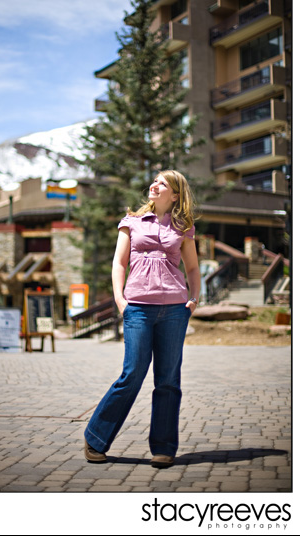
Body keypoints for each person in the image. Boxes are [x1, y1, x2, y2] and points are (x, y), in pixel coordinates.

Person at [84, 169, 200, 468]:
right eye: (155, 180)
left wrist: (194, 298)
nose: (154, 185)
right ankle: (96, 437)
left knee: (168, 380)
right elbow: (118, 264)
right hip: (137, 306)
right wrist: (120, 300)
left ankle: (163, 447)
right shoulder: (132, 222)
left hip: (175, 309)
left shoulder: (183, 227)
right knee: (133, 373)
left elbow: (193, 268)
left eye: (162, 183)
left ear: (174, 194)